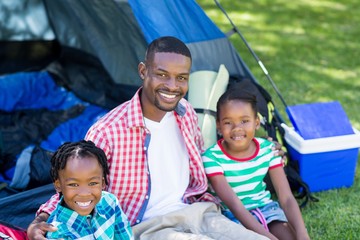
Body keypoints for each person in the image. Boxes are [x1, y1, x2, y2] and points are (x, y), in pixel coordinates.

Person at [27, 36, 285, 240]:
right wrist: (42, 219)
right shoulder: (108, 131)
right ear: (143, 71)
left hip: (198, 212)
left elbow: (211, 156)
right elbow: (77, 180)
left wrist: (262, 148)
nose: (172, 86)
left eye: (181, 77)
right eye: (162, 74)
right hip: (147, 226)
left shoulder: (186, 114)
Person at [202, 88, 310, 240]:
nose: (237, 128)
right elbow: (234, 205)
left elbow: (286, 198)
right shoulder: (212, 158)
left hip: (267, 211)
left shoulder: (268, 150)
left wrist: (302, 234)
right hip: (231, 217)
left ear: (256, 123)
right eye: (228, 122)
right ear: (218, 125)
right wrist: (267, 237)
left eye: (244, 121)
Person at [45, 140, 133, 239]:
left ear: (103, 183)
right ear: (58, 185)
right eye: (73, 184)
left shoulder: (110, 202)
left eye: (93, 183)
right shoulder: (57, 233)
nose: (84, 193)